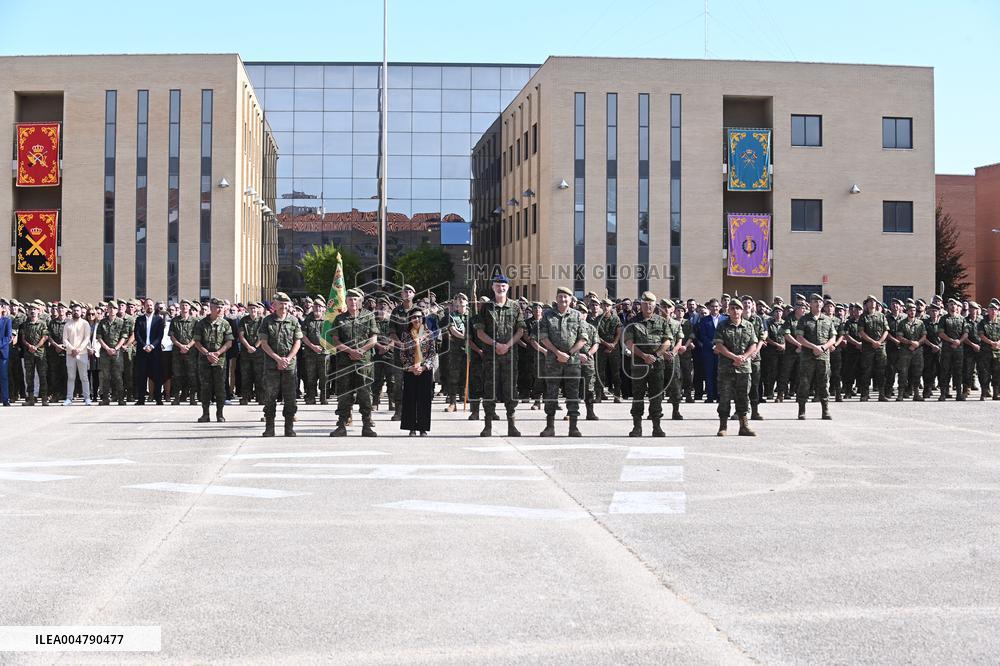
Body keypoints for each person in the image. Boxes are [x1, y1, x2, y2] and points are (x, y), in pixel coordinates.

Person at [475, 275, 525, 437]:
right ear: (493, 287)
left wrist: (507, 345)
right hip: (491, 356)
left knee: (510, 390)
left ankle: (512, 425)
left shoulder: (515, 307)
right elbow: (480, 332)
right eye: (497, 285)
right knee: (490, 389)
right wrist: (496, 345)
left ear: (508, 288)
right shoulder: (486, 307)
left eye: (503, 286)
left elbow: (521, 330)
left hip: (510, 356)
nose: (500, 288)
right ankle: (488, 425)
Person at [537, 288, 587, 437]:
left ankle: (573, 427)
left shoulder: (577, 316)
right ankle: (549, 427)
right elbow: (544, 337)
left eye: (565, 297)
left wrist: (569, 354)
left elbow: (583, 338)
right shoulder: (547, 316)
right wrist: (558, 353)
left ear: (571, 299)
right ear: (556, 298)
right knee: (551, 394)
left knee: (573, 394)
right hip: (553, 361)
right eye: (560, 297)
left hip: (572, 363)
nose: (563, 300)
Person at [331, 288, 378, 438]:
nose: (353, 302)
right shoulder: (339, 319)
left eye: (356, 299)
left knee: (365, 394)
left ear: (361, 301)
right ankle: (341, 425)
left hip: (364, 362)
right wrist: (350, 351)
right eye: (350, 299)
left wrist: (361, 351)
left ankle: (366, 425)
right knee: (344, 395)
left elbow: (373, 339)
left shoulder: (368, 316)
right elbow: (336, 341)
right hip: (345, 363)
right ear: (346, 301)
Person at [624, 292, 672, 438]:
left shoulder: (662, 321)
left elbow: (667, 341)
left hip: (657, 365)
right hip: (639, 364)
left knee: (656, 395)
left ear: (654, 304)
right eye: (645, 303)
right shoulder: (633, 321)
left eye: (651, 303)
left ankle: (656, 427)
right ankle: (637, 427)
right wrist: (644, 356)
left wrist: (656, 355)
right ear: (641, 305)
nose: (648, 305)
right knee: (638, 395)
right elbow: (629, 343)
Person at [258, 293, 303, 437]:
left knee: (290, 398)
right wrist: (277, 359)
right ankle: (269, 427)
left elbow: (297, 341)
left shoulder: (294, 321)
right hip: (272, 365)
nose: (284, 307)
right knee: (270, 397)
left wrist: (288, 359)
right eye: (281, 303)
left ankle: (289, 427)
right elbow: (264, 343)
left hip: (289, 366)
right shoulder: (267, 321)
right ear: (274, 305)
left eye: (286, 304)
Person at [714, 300, 759, 436]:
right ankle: (723, 426)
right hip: (726, 368)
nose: (735, 311)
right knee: (725, 397)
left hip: (744, 368)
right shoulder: (722, 326)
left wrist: (744, 357)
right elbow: (719, 346)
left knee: (743, 397)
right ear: (728, 311)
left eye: (737, 308)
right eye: (732, 308)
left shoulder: (749, 326)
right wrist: (734, 357)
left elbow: (753, 344)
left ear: (741, 310)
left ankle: (743, 426)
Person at [795, 293, 838, 420]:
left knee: (824, 383)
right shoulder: (804, 319)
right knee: (804, 383)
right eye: (815, 302)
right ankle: (801, 410)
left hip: (823, 356)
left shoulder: (827, 319)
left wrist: (823, 348)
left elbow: (833, 337)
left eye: (820, 302)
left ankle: (825, 410)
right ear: (810, 304)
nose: (818, 304)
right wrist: (814, 347)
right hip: (808, 356)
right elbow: (799, 338)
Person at [192, 298, 233, 423]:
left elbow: (229, 342)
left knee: (220, 388)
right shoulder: (201, 323)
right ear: (211, 307)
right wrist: (207, 353)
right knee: (205, 388)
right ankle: (205, 414)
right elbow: (197, 342)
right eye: (217, 307)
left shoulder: (225, 324)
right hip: (204, 360)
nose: (220, 309)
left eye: (221, 307)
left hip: (219, 361)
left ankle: (220, 414)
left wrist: (217, 353)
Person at [399, 306, 438, 435]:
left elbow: (432, 354)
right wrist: (410, 367)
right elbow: (402, 354)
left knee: (424, 400)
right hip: (410, 370)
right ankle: (411, 427)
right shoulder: (406, 335)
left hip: (424, 370)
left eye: (419, 317)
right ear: (410, 319)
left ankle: (422, 428)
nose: (416, 319)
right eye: (414, 317)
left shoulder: (429, 333)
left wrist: (424, 366)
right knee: (410, 399)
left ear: (423, 319)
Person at [388, 284, 417, 421]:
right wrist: (400, 344)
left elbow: (423, 331)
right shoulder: (396, 311)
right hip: (399, 353)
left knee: (413, 383)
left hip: (415, 353)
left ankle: (411, 410)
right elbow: (392, 331)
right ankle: (398, 411)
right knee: (398, 382)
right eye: (404, 291)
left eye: (409, 291)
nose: (407, 293)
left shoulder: (418, 310)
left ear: (414, 294)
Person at [133, 297, 165, 405]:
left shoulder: (159, 320)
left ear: (153, 307)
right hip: (142, 351)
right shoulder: (139, 319)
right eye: (147, 305)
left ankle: (158, 398)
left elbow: (160, 336)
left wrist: (152, 346)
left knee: (157, 376)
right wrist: (144, 346)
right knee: (141, 375)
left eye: (151, 305)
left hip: (155, 352)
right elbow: (137, 335)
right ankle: (141, 399)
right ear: (144, 307)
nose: (149, 307)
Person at [858, 295, 889, 402]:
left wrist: (879, 342)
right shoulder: (863, 317)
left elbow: (886, 330)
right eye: (869, 302)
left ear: (876, 304)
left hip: (880, 348)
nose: (872, 303)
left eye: (874, 301)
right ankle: (865, 394)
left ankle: (881, 394)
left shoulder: (881, 316)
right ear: (866, 304)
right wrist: (872, 342)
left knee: (881, 371)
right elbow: (861, 332)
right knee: (866, 371)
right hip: (868, 347)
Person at [96, 302, 128, 405]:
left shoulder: (121, 322)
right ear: (107, 309)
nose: (112, 310)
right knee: (105, 376)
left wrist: (116, 348)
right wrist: (107, 348)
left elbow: (123, 336)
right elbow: (99, 337)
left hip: (117, 352)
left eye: (114, 308)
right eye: (111, 308)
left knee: (118, 376)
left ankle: (121, 398)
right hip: (105, 352)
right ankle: (105, 398)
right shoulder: (102, 322)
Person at [62, 301, 92, 406]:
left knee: (84, 377)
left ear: (81, 312)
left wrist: (78, 349)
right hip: (70, 354)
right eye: (74, 310)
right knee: (71, 377)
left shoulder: (85, 323)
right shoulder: (67, 324)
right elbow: (64, 339)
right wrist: (72, 349)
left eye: (78, 310)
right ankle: (69, 398)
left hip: (82, 353)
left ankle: (87, 398)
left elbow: (87, 338)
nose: (76, 312)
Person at [895, 303, 927, 401]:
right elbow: (899, 337)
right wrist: (910, 343)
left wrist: (917, 343)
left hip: (917, 351)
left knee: (917, 372)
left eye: (914, 310)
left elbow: (924, 336)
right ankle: (901, 393)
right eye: (910, 310)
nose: (912, 312)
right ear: (907, 311)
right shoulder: (902, 323)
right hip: (905, 351)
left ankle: (916, 394)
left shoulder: (920, 323)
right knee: (903, 372)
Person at [938, 298, 967, 401]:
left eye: (955, 305)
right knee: (945, 371)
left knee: (958, 372)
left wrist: (959, 341)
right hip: (947, 349)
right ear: (948, 306)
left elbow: (965, 333)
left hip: (958, 349)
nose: (953, 306)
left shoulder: (962, 319)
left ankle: (959, 394)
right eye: (951, 304)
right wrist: (952, 341)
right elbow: (941, 333)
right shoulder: (944, 319)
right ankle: (943, 393)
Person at [20, 301, 49, 406]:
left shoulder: (42, 323)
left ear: (38, 311)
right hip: (28, 354)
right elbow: (22, 338)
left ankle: (44, 399)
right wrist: (29, 346)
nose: (32, 311)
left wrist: (36, 347)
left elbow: (45, 337)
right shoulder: (24, 324)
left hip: (40, 353)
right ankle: (31, 399)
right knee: (29, 377)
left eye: (35, 309)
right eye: (31, 309)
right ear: (28, 312)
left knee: (42, 376)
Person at [170, 300, 198, 405]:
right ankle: (176, 397)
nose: (184, 307)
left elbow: (196, 336)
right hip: (177, 351)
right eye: (182, 306)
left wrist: (188, 346)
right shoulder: (174, 321)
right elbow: (172, 336)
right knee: (177, 375)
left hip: (191, 352)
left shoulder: (195, 321)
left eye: (186, 305)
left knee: (192, 375)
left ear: (189, 307)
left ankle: (192, 398)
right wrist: (181, 346)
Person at [443, 294, 469, 413]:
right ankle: (452, 402)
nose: (461, 301)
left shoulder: (472, 316)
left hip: (469, 349)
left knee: (466, 374)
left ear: (467, 302)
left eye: (463, 299)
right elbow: (453, 330)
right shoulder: (452, 316)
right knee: (454, 376)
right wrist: (465, 337)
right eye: (458, 299)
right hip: (456, 350)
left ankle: (464, 396)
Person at [696, 299, 724, 403]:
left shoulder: (725, 319)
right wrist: (713, 347)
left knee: (720, 374)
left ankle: (720, 396)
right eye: (712, 306)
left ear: (719, 307)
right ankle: (710, 396)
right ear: (709, 308)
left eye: (716, 306)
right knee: (709, 374)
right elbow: (703, 336)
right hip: (708, 351)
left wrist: (720, 347)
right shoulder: (704, 320)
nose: (715, 308)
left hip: (722, 352)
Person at [238, 302, 266, 405]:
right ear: (247, 309)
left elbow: (263, 335)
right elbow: (241, 335)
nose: (253, 310)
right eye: (251, 308)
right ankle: (245, 397)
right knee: (246, 376)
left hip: (259, 353)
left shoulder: (263, 320)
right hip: (246, 353)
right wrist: (248, 347)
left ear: (258, 309)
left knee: (260, 376)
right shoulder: (243, 320)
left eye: (255, 308)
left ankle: (261, 397)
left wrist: (255, 346)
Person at [977, 299, 1000, 400]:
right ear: (988, 310)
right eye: (991, 309)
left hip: (997, 351)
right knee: (984, 372)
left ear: (998, 311)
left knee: (997, 372)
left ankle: (996, 393)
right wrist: (992, 343)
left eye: (995, 309)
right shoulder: (982, 321)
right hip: (986, 351)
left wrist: (998, 343)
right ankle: (984, 393)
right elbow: (981, 335)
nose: (993, 311)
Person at [47, 302, 68, 402]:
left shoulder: (69, 322)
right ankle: (55, 395)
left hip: (66, 352)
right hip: (54, 352)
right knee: (54, 374)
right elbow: (49, 336)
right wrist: (56, 345)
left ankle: (65, 395)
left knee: (65, 374)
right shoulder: (52, 322)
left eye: (62, 308)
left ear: (66, 310)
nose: (60, 310)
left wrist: (63, 346)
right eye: (59, 308)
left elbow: (72, 337)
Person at [0, 300, 12, 406]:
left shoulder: (6, 321)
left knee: (3, 376)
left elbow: (8, 337)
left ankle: (5, 399)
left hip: (2, 353)